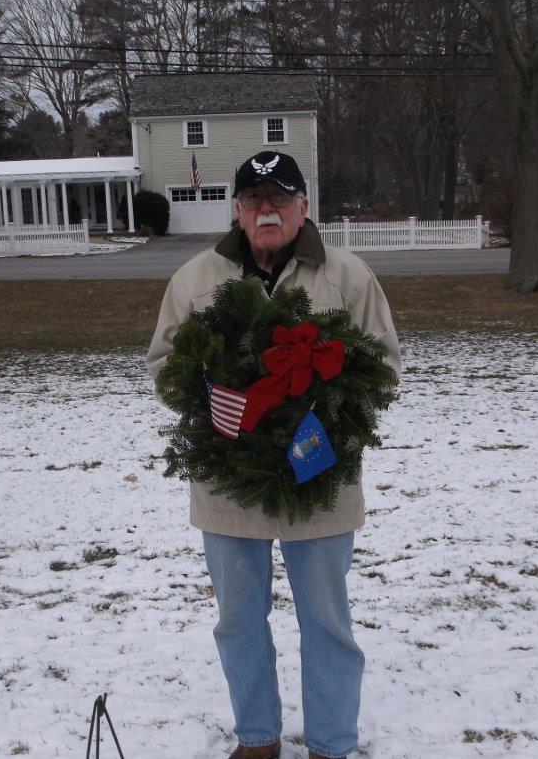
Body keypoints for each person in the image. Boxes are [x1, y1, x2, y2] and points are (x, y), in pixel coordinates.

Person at [146, 151, 401, 759]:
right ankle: (257, 738)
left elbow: (383, 367)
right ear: (236, 211)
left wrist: (327, 409)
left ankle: (331, 742)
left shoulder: (347, 276)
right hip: (228, 483)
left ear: (303, 208)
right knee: (237, 621)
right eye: (254, 199)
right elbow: (164, 366)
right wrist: (212, 399)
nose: (267, 210)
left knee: (326, 622)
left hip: (320, 478)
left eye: (280, 199)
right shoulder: (194, 280)